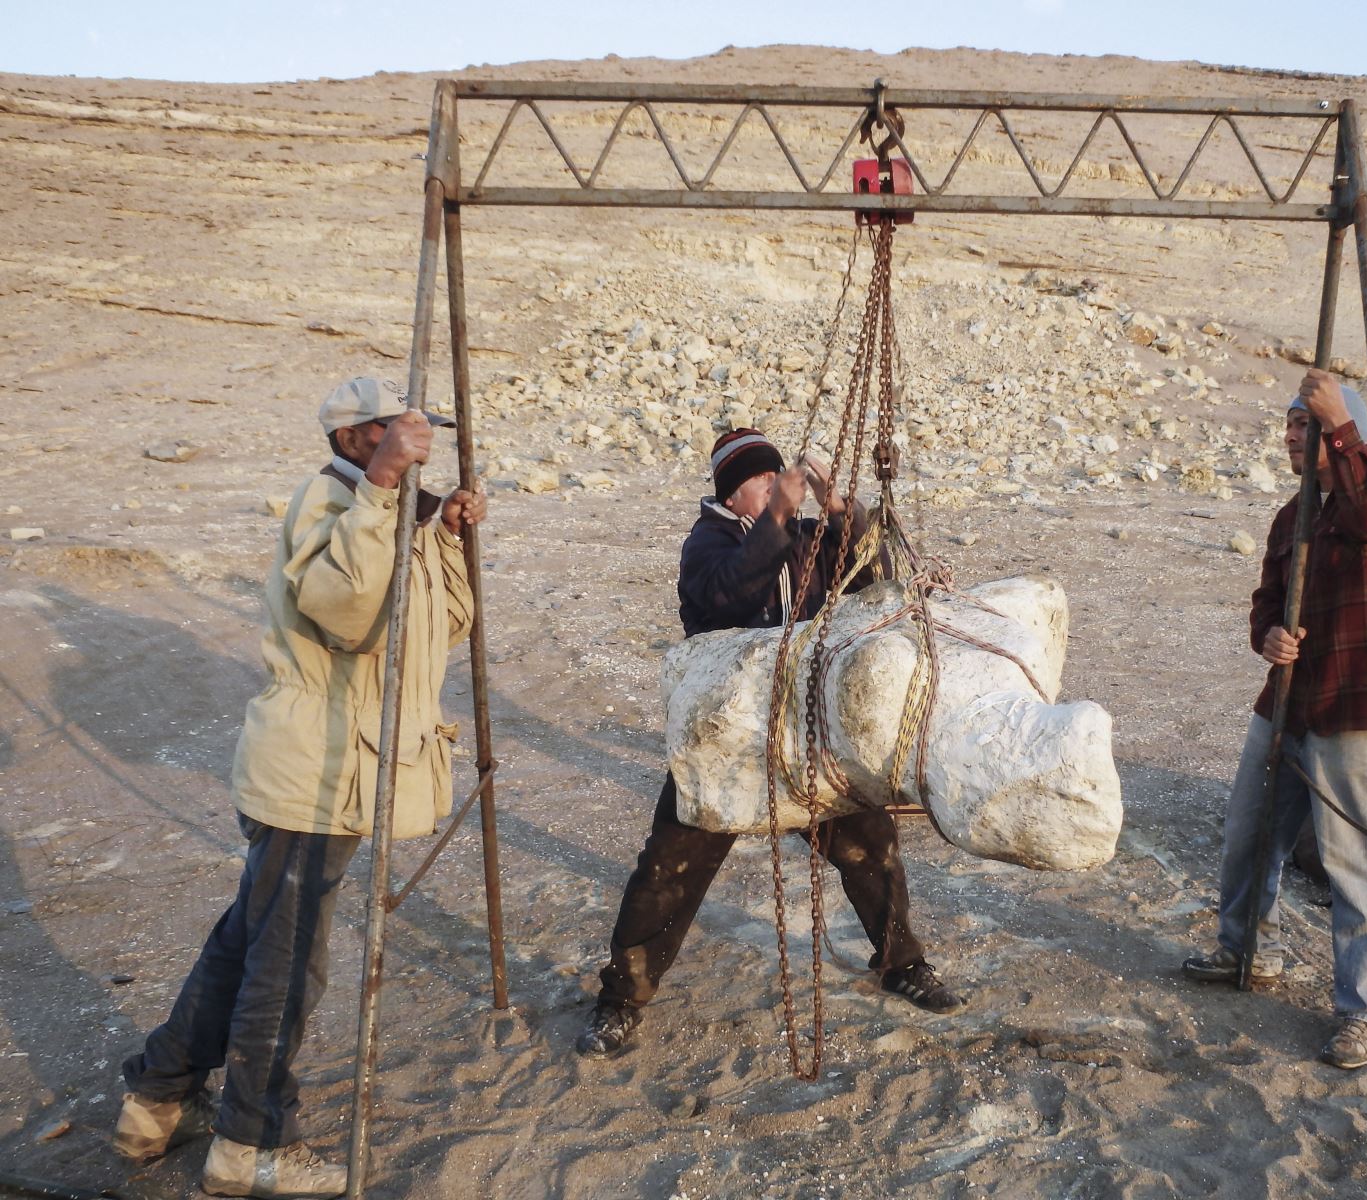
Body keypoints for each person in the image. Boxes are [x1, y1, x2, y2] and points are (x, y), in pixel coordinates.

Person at [113, 377, 484, 1197]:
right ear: (357, 440)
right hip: (314, 767)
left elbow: (439, 632)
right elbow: (349, 617)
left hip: (343, 765)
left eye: (424, 437)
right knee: (284, 966)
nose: (423, 449)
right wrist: (385, 489)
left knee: (251, 941)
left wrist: (450, 539)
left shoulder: (393, 519)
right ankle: (249, 1147)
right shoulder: (333, 504)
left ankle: (155, 1096)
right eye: (402, 435)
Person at [576, 428, 962, 1057]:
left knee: (869, 845)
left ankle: (901, 962)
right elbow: (732, 592)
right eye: (765, 480)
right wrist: (780, 514)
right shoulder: (709, 544)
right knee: (670, 869)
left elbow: (875, 582)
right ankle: (621, 998)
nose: (783, 486)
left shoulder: (801, 535)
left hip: (804, 732)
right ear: (735, 491)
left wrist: (843, 514)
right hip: (727, 738)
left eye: (780, 478)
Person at [1182, 369, 1367, 1070]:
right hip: (1288, 699)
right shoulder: (1291, 515)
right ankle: (1245, 952)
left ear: (1335, 425)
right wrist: (1267, 637)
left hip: (1357, 701)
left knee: (1360, 861)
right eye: (1287, 425)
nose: (1289, 437)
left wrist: (1340, 425)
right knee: (1250, 833)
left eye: (1302, 423)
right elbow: (1265, 598)